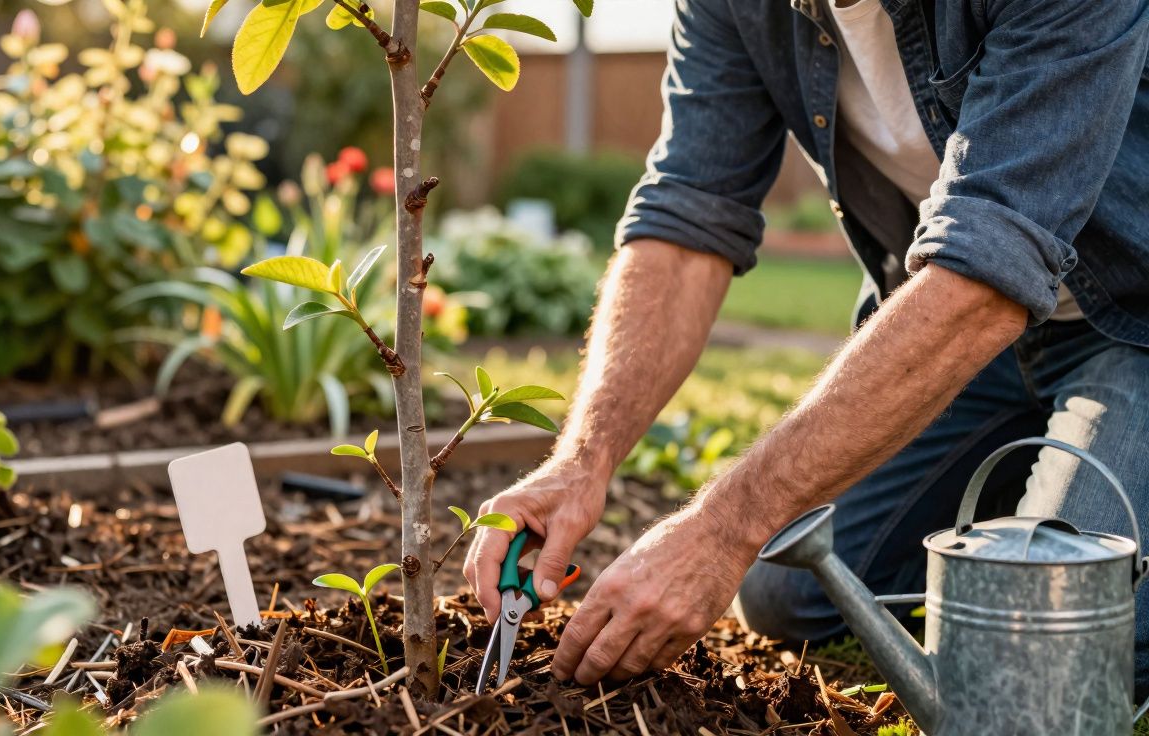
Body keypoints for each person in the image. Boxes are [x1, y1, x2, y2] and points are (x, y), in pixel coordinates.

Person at [463, 0, 1149, 697]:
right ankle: (1043, 477)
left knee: (1055, 648)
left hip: (1131, 318)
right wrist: (582, 460)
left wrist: (723, 526)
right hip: (969, 336)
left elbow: (988, 269)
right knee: (788, 590)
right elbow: (689, 214)